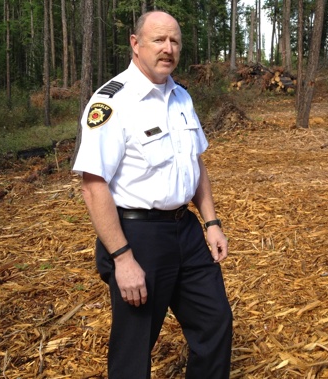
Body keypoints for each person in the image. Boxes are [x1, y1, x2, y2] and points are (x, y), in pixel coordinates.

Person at [72, 10, 232, 379]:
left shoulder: (181, 97)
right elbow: (92, 186)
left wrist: (211, 221)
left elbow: (196, 164)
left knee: (215, 322)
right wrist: (122, 258)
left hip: (188, 233)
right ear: (135, 44)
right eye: (159, 40)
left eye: (174, 41)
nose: (168, 48)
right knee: (134, 346)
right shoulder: (112, 103)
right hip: (138, 238)